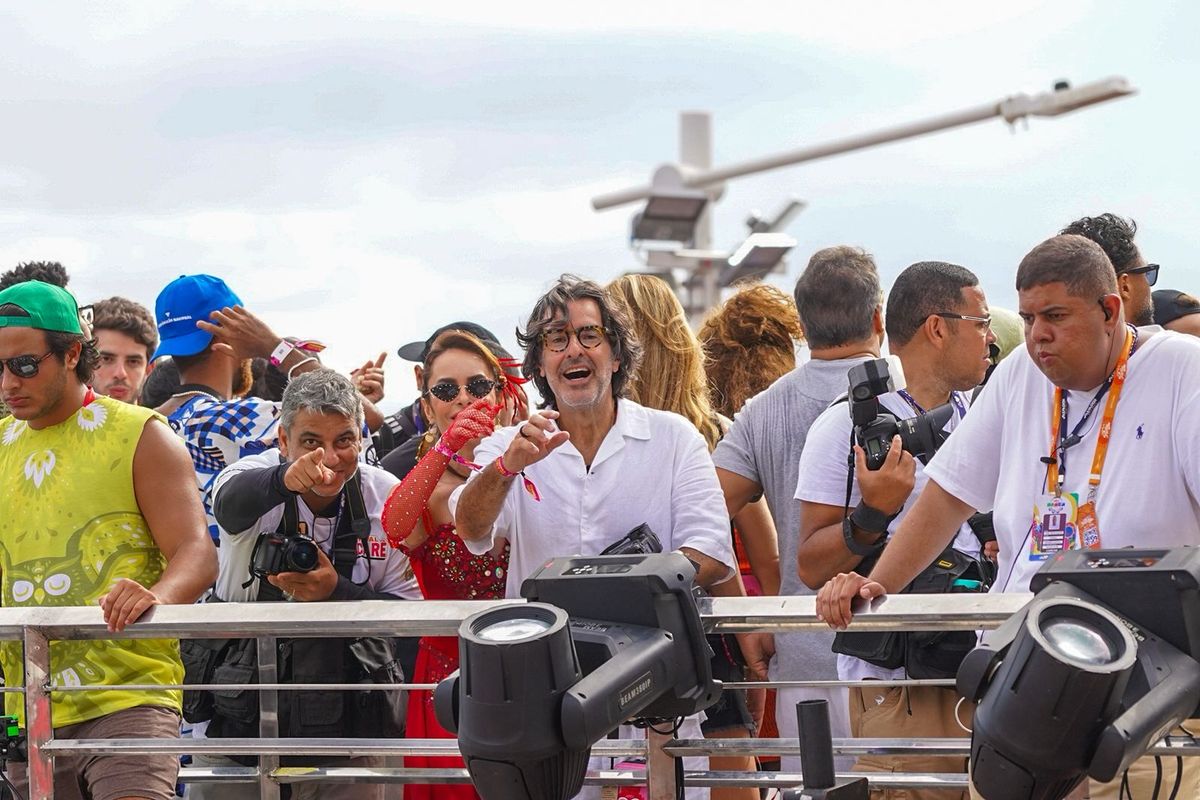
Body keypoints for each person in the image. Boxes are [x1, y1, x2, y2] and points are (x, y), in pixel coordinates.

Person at [815, 234, 1200, 799]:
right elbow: (948, 493)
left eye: (1055, 315)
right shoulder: (1020, 371)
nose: (1038, 334)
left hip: (1140, 706)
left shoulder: (1182, 370)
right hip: (1021, 690)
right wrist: (879, 583)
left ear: (1111, 309)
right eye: (1027, 317)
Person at [451, 274, 735, 800]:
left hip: (654, 701)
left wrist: (605, 590)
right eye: (555, 340)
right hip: (544, 707)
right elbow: (469, 527)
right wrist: (507, 468)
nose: (572, 350)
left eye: (588, 335)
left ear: (617, 355)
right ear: (538, 364)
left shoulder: (674, 437)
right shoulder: (510, 446)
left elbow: (712, 555)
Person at [0, 280, 216, 800]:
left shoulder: (141, 432)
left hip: (129, 696)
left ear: (73, 352)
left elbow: (196, 552)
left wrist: (156, 596)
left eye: (24, 365)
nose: (8, 381)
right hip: (23, 704)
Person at [797, 261, 995, 798]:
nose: (991, 339)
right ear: (938, 327)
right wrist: (874, 513)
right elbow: (812, 565)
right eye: (980, 323)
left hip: (985, 668)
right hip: (898, 683)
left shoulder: (981, 414)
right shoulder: (846, 425)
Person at [187, 368, 422, 800]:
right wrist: (282, 480)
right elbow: (229, 506)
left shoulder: (385, 495)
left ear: (361, 440)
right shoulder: (253, 474)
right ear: (282, 441)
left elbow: (409, 620)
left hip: (351, 740)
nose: (328, 459)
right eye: (311, 442)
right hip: (238, 733)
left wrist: (337, 594)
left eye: (344, 441)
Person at [709, 246, 885, 774]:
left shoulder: (764, 409)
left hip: (804, 656)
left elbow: (703, 512)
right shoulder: (908, 391)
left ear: (804, 328)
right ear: (877, 317)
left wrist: (746, 619)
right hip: (894, 658)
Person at [608, 273, 767, 800]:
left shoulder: (592, 445)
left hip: (611, 650)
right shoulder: (715, 432)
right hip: (710, 644)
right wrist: (754, 646)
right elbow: (760, 555)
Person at [380, 330, 521, 800]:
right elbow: (395, 527)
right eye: (446, 390)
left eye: (478, 386)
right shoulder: (427, 489)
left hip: (527, 670)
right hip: (447, 685)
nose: (463, 399)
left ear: (500, 396)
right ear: (426, 406)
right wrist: (445, 449)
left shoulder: (531, 464)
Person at [150, 274, 325, 540]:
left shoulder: (145, 422)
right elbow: (357, 419)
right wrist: (273, 346)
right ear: (229, 331)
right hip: (229, 580)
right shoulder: (240, 418)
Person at [1061, 213, 1158, 325]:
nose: (1149, 286)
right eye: (1147, 274)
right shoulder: (1169, 342)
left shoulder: (1052, 340)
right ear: (1124, 286)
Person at [90, 295, 158, 403]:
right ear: (84, 363)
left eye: (133, 361)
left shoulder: (164, 420)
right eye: (106, 359)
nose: (120, 374)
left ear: (149, 368)